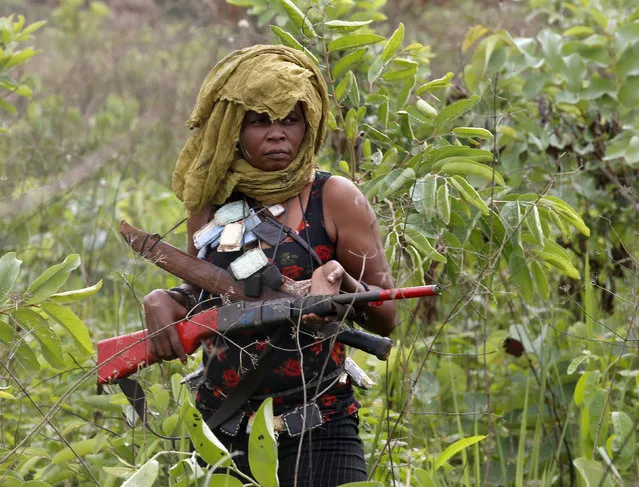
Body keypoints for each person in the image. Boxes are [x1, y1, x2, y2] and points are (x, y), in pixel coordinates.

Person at [143, 44, 397, 487]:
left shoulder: (334, 198)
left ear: (310, 123)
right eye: (260, 121)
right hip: (222, 430)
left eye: (290, 119)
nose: (277, 134)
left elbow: (387, 317)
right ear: (233, 128)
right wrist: (166, 300)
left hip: (321, 428)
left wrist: (339, 281)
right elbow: (211, 296)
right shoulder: (211, 203)